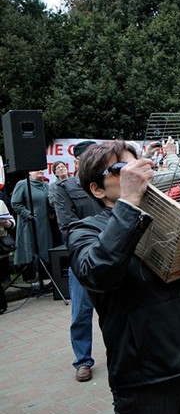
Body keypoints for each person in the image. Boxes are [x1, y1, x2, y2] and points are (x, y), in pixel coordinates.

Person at [67, 140, 180, 414]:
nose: (137, 175)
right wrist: (129, 204)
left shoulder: (177, 216)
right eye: (122, 169)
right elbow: (99, 273)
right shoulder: (84, 232)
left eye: (140, 166)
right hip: (146, 378)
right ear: (96, 189)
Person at [52, 140, 102, 383]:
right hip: (83, 259)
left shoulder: (107, 183)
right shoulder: (63, 188)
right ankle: (83, 360)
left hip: (113, 256)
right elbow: (67, 226)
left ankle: (124, 354)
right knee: (81, 312)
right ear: (78, 162)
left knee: (119, 309)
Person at [11, 169, 53, 281]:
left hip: (44, 225)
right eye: (37, 169)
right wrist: (28, 215)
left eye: (42, 169)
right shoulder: (23, 184)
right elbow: (15, 203)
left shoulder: (46, 186)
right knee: (30, 249)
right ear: (29, 172)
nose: (41, 171)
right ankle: (30, 278)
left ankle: (45, 278)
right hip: (29, 225)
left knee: (45, 248)